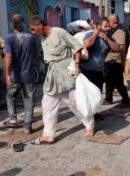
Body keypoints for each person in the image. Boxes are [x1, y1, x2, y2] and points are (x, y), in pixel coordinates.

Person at [28, 16, 95, 145]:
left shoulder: (59, 32)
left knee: (75, 104)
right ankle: (48, 135)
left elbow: (78, 47)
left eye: (33, 29)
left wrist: (76, 65)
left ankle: (90, 126)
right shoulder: (42, 38)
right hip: (52, 76)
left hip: (66, 74)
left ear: (39, 24)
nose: (32, 32)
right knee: (47, 104)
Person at [4, 14, 35, 133]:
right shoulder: (31, 38)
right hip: (28, 75)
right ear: (23, 24)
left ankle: (12, 120)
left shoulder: (9, 38)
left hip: (14, 76)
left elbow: (9, 56)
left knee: (11, 95)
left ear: (11, 25)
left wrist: (7, 74)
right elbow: (35, 55)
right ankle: (27, 126)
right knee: (28, 100)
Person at [81, 17, 118, 94]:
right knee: (87, 96)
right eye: (105, 26)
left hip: (99, 72)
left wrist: (107, 39)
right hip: (86, 71)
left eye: (109, 27)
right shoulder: (90, 34)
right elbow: (87, 44)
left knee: (97, 96)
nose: (108, 28)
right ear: (99, 26)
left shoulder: (109, 39)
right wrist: (95, 33)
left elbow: (117, 49)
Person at [105, 14, 130, 107]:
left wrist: (123, 62)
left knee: (118, 82)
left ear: (113, 21)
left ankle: (126, 100)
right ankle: (108, 99)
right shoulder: (112, 31)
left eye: (109, 21)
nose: (108, 23)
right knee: (108, 81)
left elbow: (122, 48)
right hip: (109, 60)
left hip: (116, 61)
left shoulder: (120, 31)